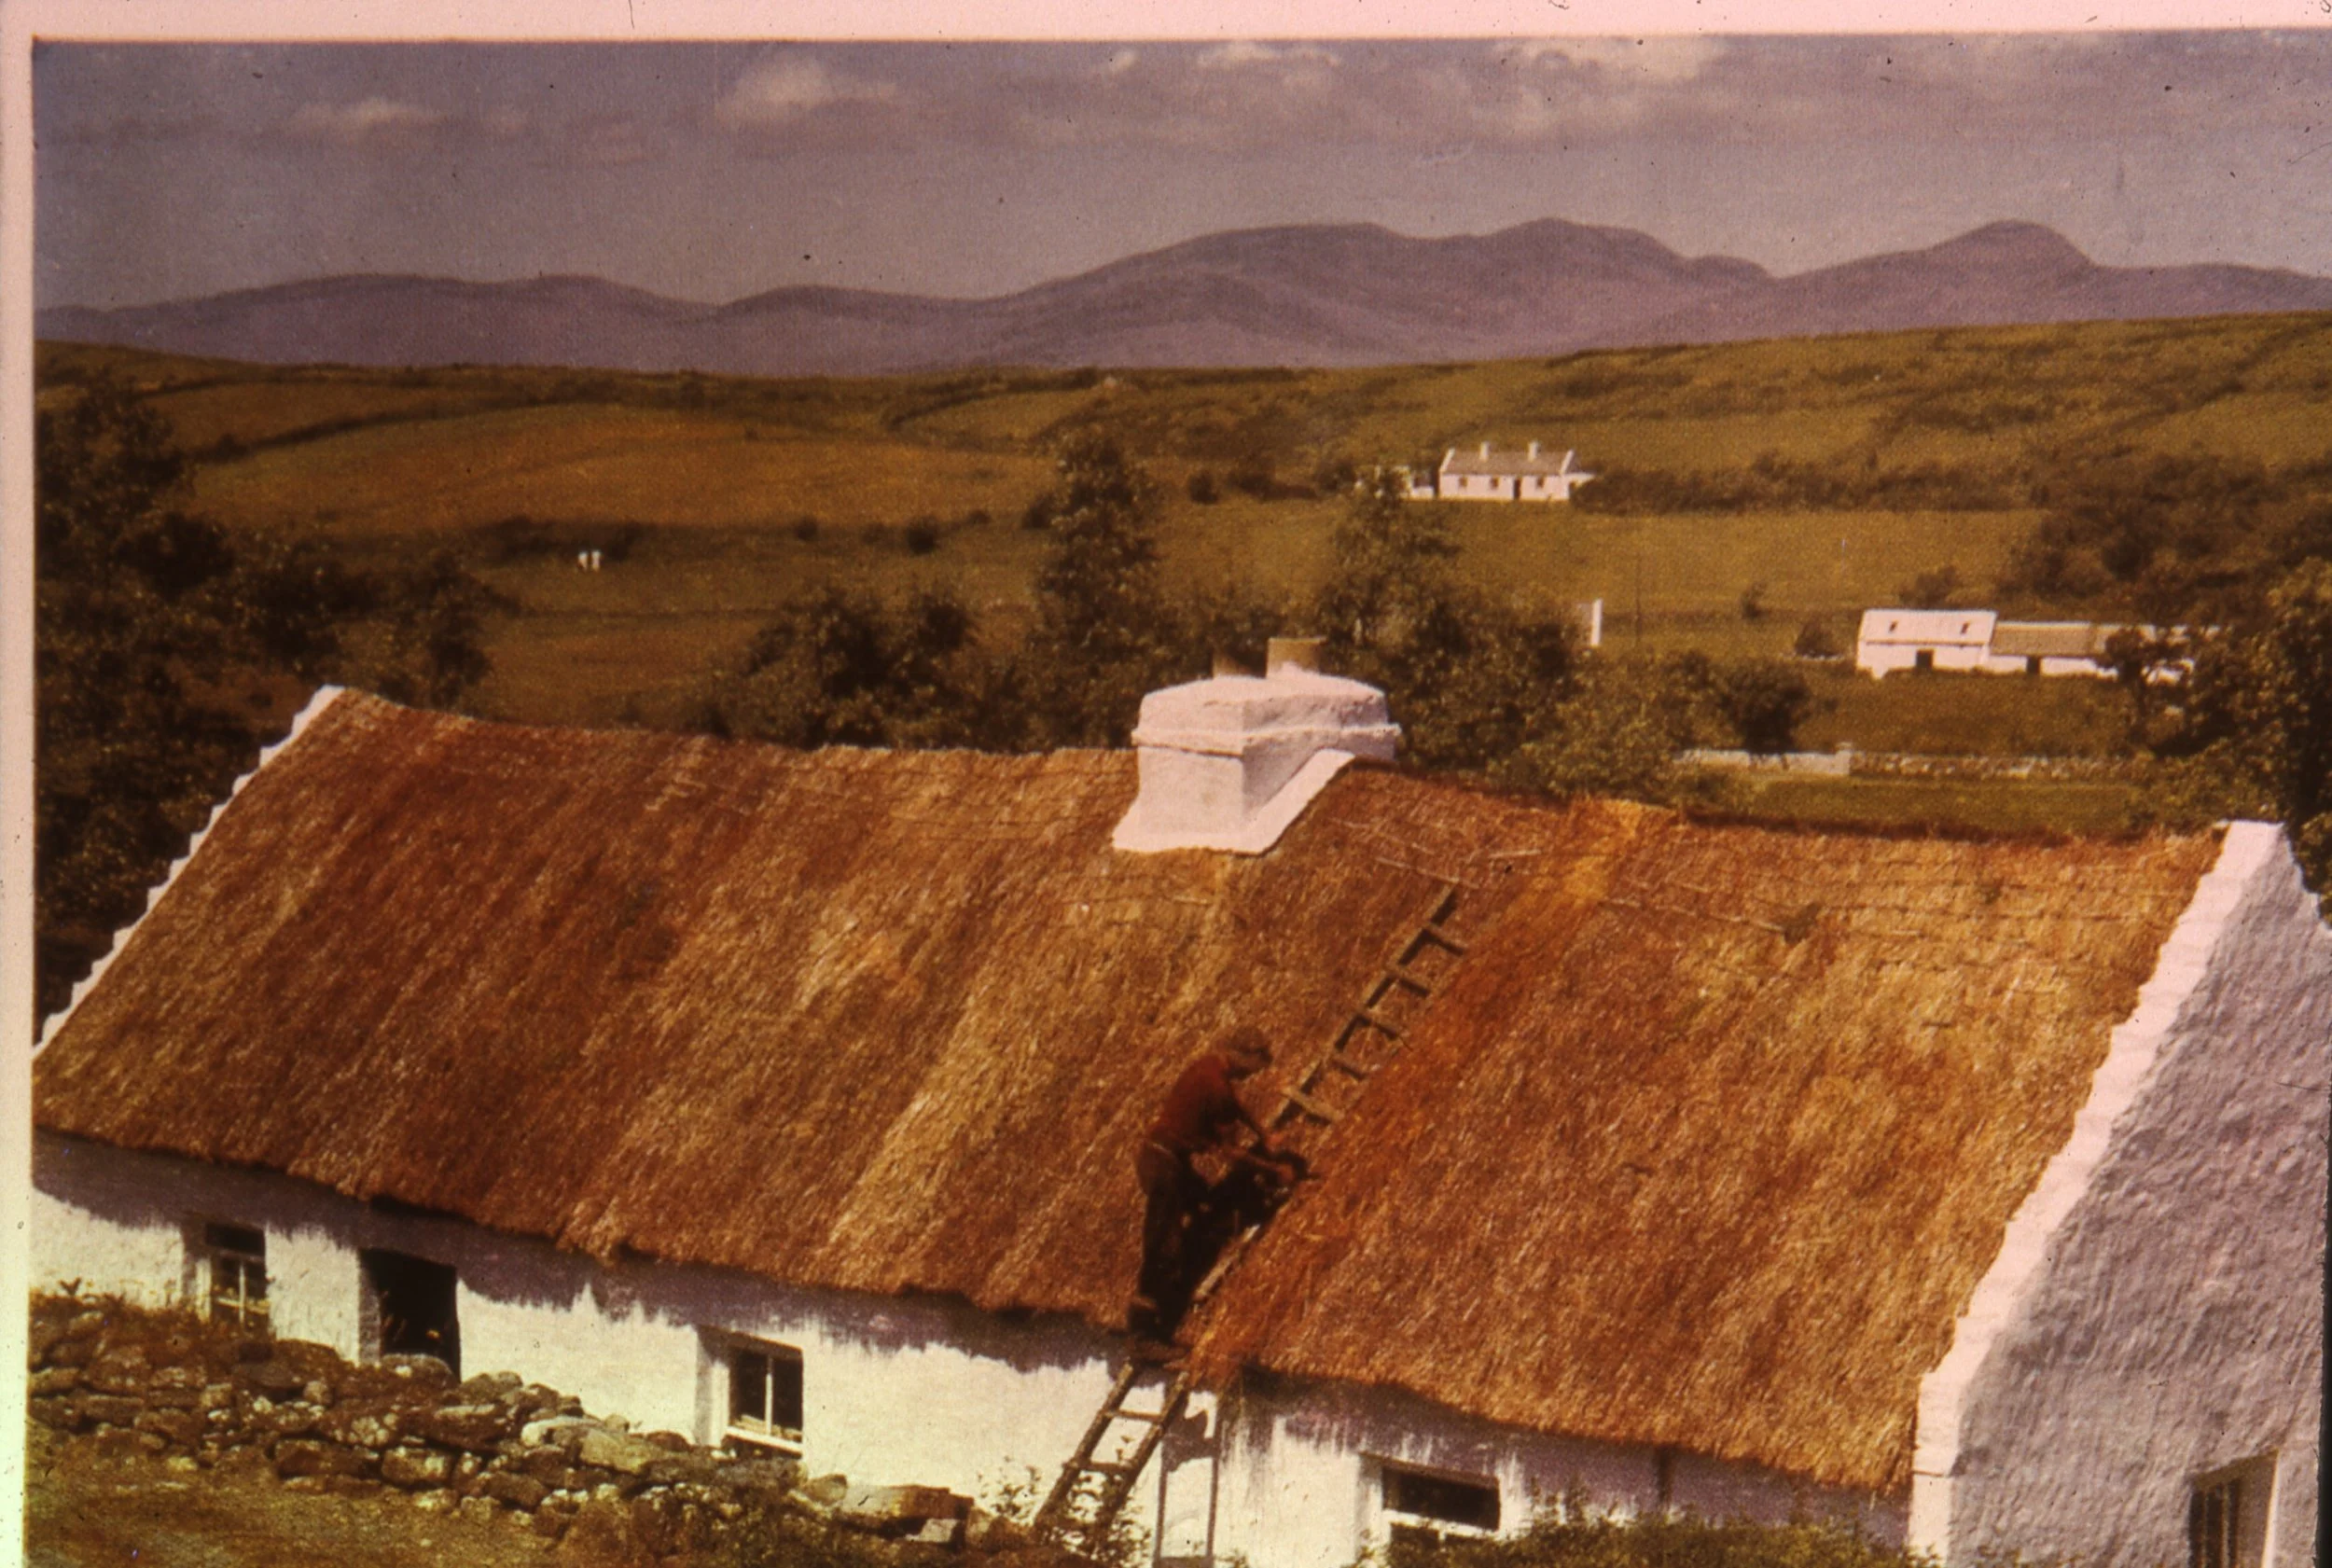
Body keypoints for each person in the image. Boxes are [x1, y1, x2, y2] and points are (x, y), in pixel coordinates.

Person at [1128, 1026, 1282, 1353]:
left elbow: (1236, 1104)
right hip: (1164, 1166)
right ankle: (1144, 1337)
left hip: (1162, 1158)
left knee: (1208, 1210)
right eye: (1256, 1068)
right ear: (1243, 1058)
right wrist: (1274, 1169)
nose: (1254, 1076)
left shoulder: (1208, 1068)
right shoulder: (1216, 1086)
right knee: (1163, 1246)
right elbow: (1233, 1153)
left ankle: (1171, 1299)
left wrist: (1262, 1132)